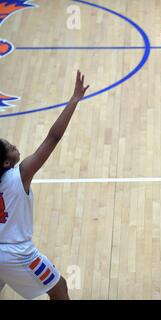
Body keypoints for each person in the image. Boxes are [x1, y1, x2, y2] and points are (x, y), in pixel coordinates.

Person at [0, 71, 89, 300]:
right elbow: (53, 138)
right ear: (7, 162)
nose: (15, 146)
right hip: (19, 254)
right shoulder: (19, 175)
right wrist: (74, 100)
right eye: (11, 147)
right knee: (59, 288)